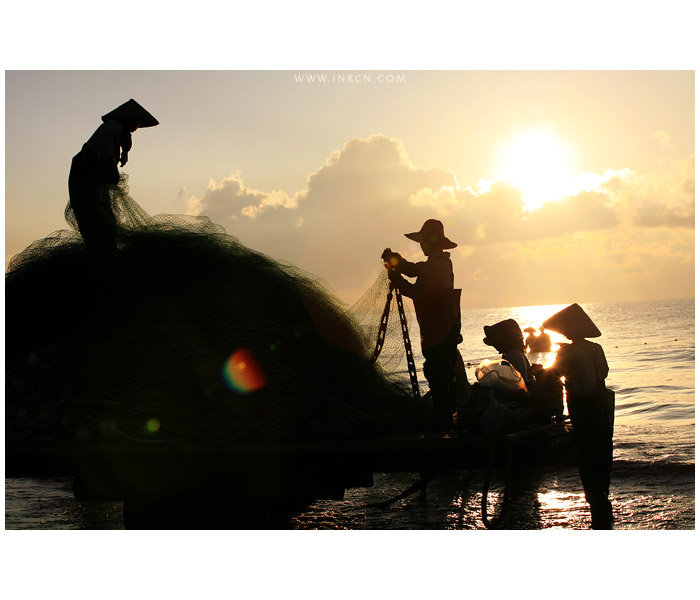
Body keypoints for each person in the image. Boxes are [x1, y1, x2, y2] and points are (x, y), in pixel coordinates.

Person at [383, 219, 462, 430]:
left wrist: (397, 280)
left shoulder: (438, 265)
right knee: (440, 370)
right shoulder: (437, 262)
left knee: (438, 371)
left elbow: (419, 292)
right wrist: (397, 261)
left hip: (440, 330)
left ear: (429, 242)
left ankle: (443, 420)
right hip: (441, 328)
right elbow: (414, 269)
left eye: (422, 241)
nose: (421, 245)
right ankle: (445, 417)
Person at [544, 303, 614, 529]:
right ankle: (602, 500)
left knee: (586, 453)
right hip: (600, 404)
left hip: (581, 406)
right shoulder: (595, 348)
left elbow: (552, 377)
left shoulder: (565, 352)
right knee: (602, 449)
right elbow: (603, 373)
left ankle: (595, 502)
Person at [67, 99, 158, 269]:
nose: (137, 126)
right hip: (84, 177)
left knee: (105, 222)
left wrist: (122, 156)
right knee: (95, 221)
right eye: (136, 121)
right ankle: (99, 263)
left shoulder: (122, 134)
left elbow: (116, 150)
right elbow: (104, 151)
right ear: (128, 118)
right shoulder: (113, 127)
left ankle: (103, 258)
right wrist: (112, 170)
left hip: (95, 181)